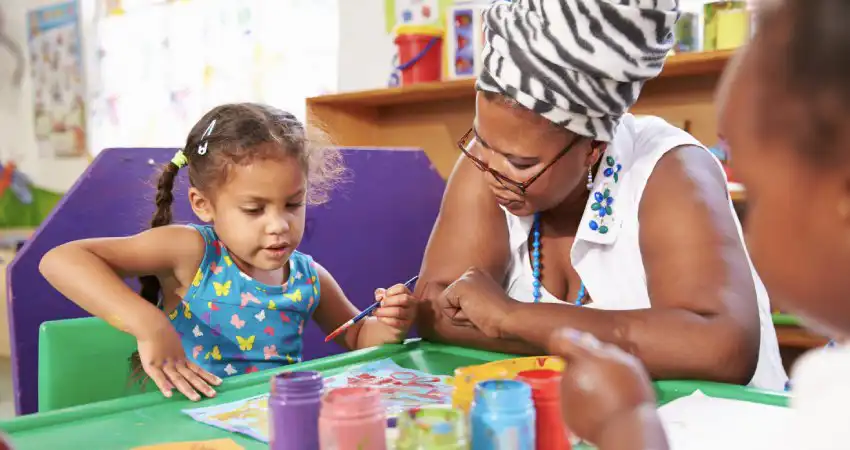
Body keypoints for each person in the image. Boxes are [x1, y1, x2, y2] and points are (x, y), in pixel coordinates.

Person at [499, 0, 850, 448]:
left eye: (757, 198)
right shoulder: (833, 376)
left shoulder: (839, 403)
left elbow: (717, 347)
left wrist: (623, 425)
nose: (749, 241)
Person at [416, 0, 787, 390]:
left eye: (521, 162)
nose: (490, 169)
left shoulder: (669, 169)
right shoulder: (490, 162)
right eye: (481, 139)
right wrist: (646, 343)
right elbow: (433, 309)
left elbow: (721, 348)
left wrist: (510, 317)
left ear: (593, 147)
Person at [39, 103, 417, 401]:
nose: (278, 225)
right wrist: (149, 324)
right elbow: (61, 261)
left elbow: (358, 337)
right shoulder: (193, 252)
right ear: (203, 204)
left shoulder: (307, 276)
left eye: (293, 204)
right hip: (189, 430)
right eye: (254, 210)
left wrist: (390, 323)